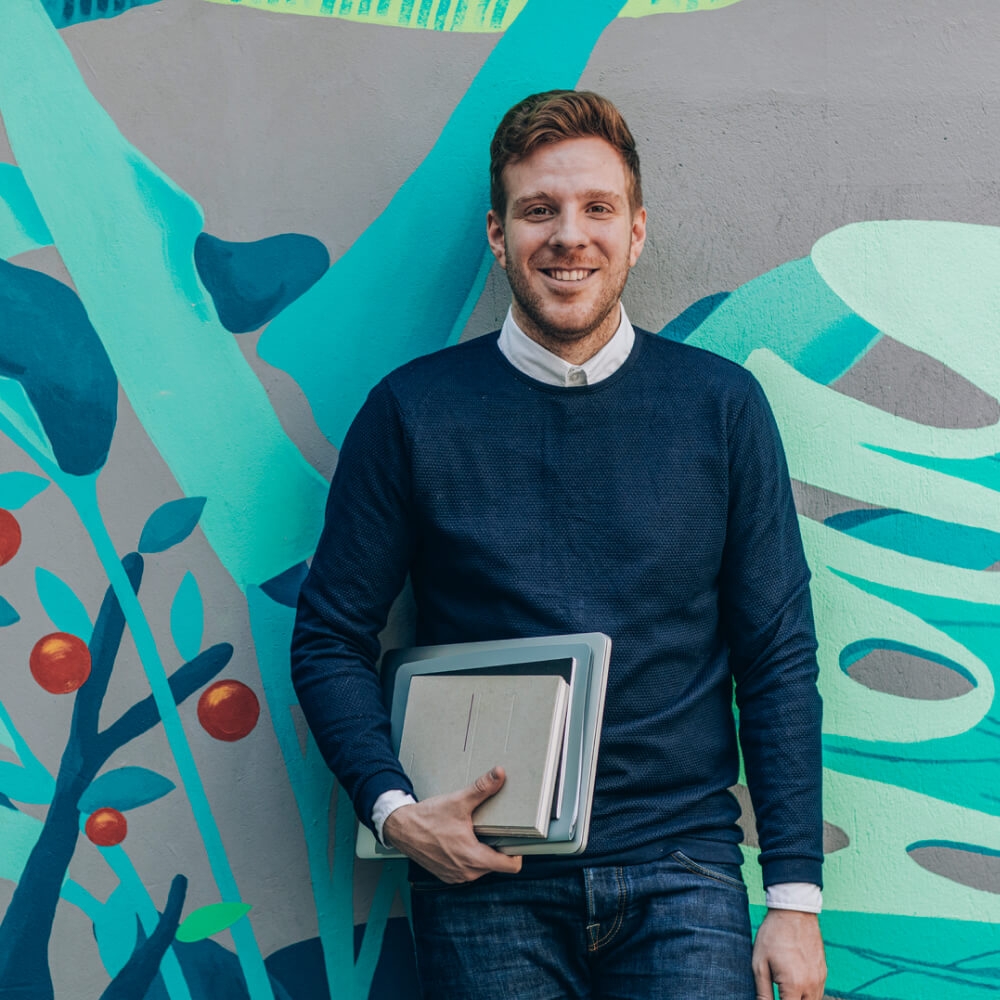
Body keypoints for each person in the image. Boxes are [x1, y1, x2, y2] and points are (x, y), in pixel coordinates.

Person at [292, 89, 826, 1000]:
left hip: (683, 872)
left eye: (596, 209)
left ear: (637, 231)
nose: (568, 235)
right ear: (499, 236)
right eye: (538, 210)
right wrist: (394, 810)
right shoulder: (412, 413)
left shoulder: (721, 409)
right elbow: (330, 635)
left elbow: (776, 657)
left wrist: (794, 899)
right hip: (484, 882)